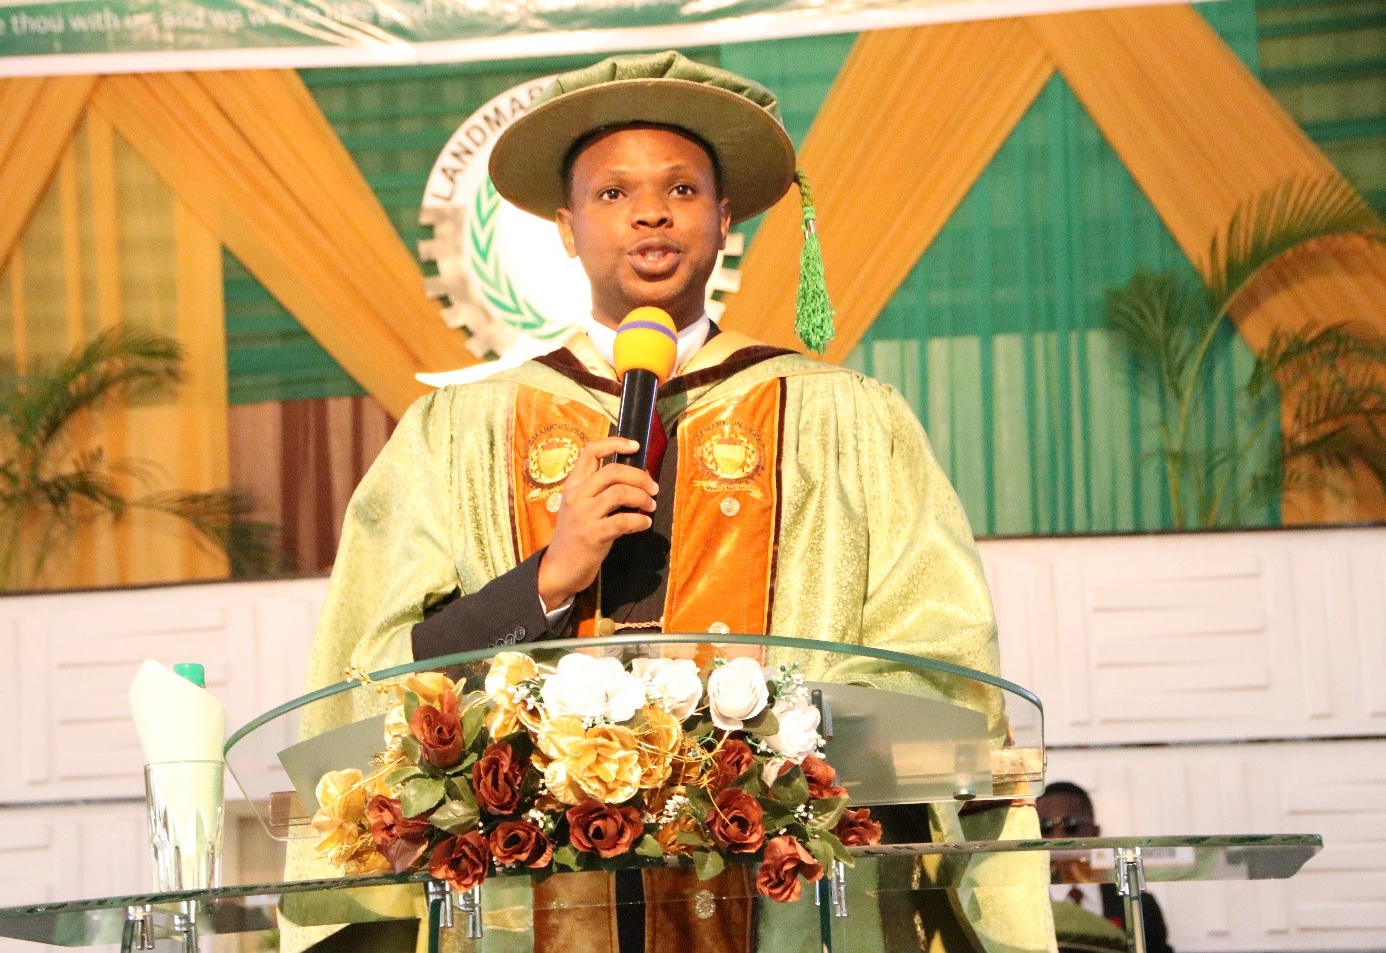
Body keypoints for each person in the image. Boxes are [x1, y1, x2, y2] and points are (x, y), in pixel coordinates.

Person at [290, 51, 1052, 953]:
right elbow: (365, 681)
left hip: (786, 911)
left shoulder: (843, 418)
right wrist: (545, 581)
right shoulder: (457, 433)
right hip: (522, 910)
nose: (650, 211)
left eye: (682, 189)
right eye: (612, 195)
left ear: (724, 219)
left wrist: (771, 729)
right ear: (565, 228)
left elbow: (945, 665)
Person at [1037, 781, 1174, 953]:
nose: (1058, 837)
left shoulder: (1137, 905)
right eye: (1045, 827)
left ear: (1095, 834)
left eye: (1071, 825)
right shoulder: (1020, 904)